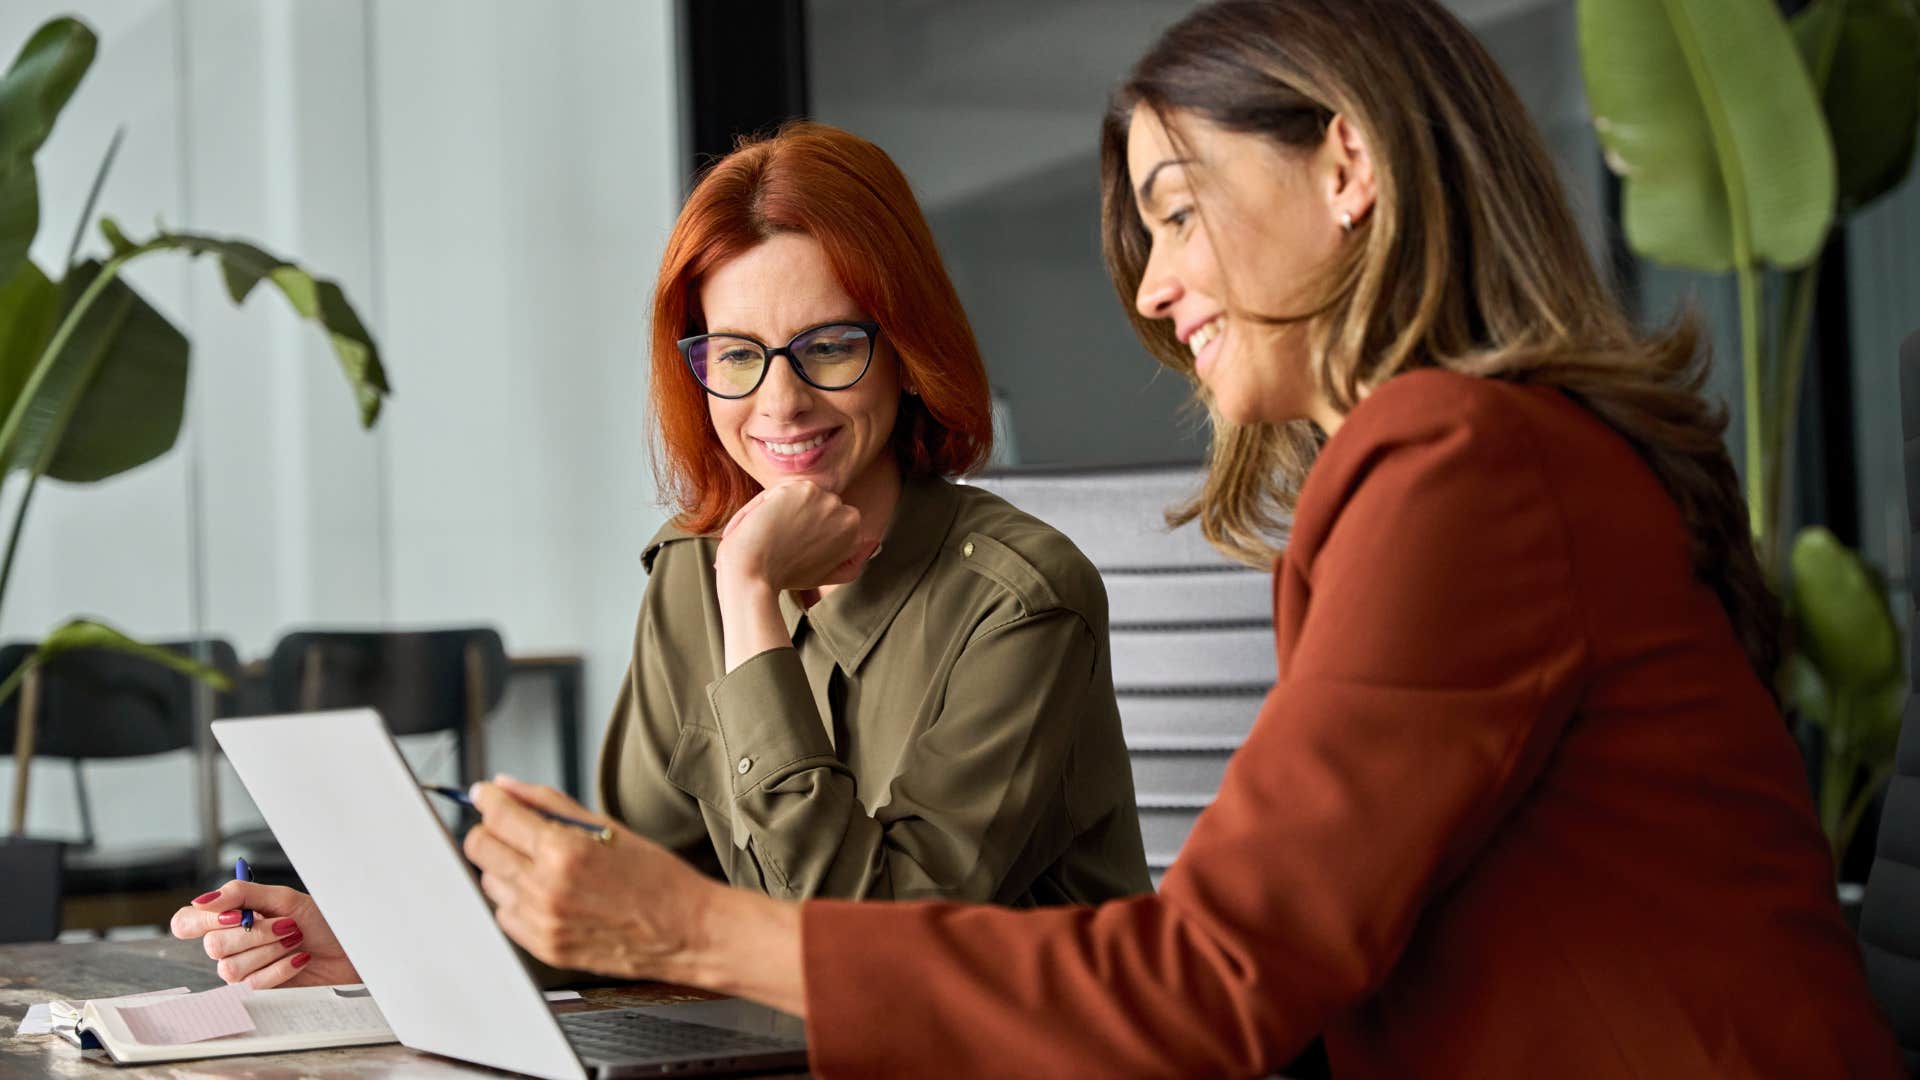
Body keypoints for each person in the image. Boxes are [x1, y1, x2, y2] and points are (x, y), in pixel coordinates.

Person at [452, 0, 1907, 1075]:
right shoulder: (1473, 460)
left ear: (1348, 164)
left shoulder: (1467, 464)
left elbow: (1213, 978)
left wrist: (688, 933)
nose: (1151, 291)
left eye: (1176, 213)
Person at [170, 122, 1151, 992]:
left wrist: (752, 598)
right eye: (736, 354)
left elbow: (863, 948)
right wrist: (381, 942)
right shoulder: (693, 570)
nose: (781, 402)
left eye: (829, 346)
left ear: (905, 349)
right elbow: (635, 891)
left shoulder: (1020, 600)